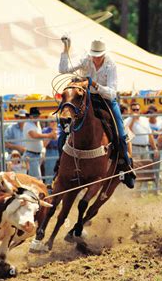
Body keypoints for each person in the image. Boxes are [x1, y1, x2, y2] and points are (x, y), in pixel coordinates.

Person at [58, 37, 136, 188]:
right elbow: (63, 69)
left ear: (104, 54)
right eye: (94, 54)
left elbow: (112, 93)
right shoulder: (86, 59)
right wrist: (65, 50)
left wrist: (94, 84)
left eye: (98, 55)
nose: (96, 57)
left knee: (120, 133)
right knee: (64, 128)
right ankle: (60, 167)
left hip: (105, 100)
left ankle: (126, 165)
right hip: (83, 99)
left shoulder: (110, 65)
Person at [23, 107, 56, 179]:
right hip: (32, 155)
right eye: (35, 116)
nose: (36, 117)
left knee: (34, 178)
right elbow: (34, 135)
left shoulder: (36, 123)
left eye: (37, 116)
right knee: (37, 178)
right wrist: (49, 135)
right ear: (30, 116)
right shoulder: (28, 124)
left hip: (36, 154)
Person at [42, 114, 59, 185]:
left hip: (59, 152)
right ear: (49, 122)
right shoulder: (45, 130)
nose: (54, 123)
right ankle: (49, 192)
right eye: (51, 121)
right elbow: (43, 145)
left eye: (55, 121)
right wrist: (51, 135)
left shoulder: (61, 130)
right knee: (49, 174)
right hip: (49, 152)